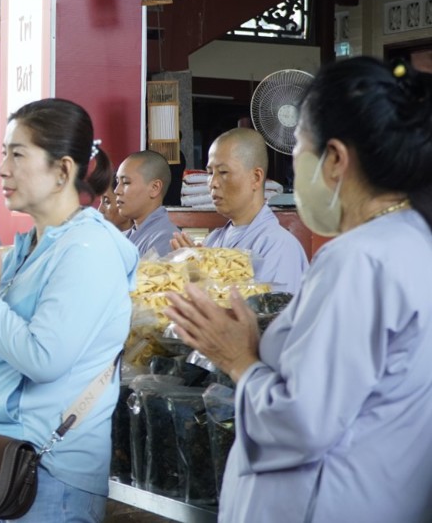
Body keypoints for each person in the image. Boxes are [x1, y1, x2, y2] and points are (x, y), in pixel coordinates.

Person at [165, 57, 432, 522]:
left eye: (300, 152)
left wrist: (239, 359)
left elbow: (303, 421)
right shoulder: (410, 241)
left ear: (335, 159)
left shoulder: (358, 260)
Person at [0, 98, 136, 523]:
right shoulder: (22, 250)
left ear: (63, 171)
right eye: (4, 154)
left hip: (49, 473)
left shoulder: (88, 249)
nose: (1, 169)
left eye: (18, 155)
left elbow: (45, 359)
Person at [170, 128, 308, 293]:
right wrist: (191, 271)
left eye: (223, 172)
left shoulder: (278, 245)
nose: (213, 183)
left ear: (256, 177)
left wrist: (206, 275)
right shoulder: (213, 240)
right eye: (210, 173)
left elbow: (267, 308)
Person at [115, 150, 176, 257]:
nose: (117, 191)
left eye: (126, 182)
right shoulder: (124, 237)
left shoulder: (166, 239)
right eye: (117, 182)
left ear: (154, 188)